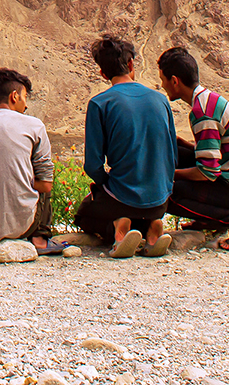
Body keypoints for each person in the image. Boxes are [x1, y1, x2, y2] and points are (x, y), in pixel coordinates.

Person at [74, 34, 175, 258]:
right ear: (131, 65)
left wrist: (106, 184)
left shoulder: (99, 103)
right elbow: (172, 155)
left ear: (103, 73)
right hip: (160, 200)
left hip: (121, 199)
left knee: (84, 215)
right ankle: (152, 227)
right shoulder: (161, 100)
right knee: (141, 210)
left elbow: (92, 165)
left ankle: (119, 228)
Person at [158, 46, 229, 251]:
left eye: (163, 80)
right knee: (176, 151)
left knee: (166, 194)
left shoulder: (202, 112)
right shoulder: (207, 100)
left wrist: (169, 174)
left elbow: (208, 171)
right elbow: (213, 153)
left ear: (175, 81)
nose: (162, 85)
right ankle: (210, 219)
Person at [0, 68, 70, 255]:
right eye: (25, 97)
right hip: (24, 225)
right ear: (14, 96)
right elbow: (46, 185)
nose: (26, 105)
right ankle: (39, 239)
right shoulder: (34, 125)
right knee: (43, 177)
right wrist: (25, 180)